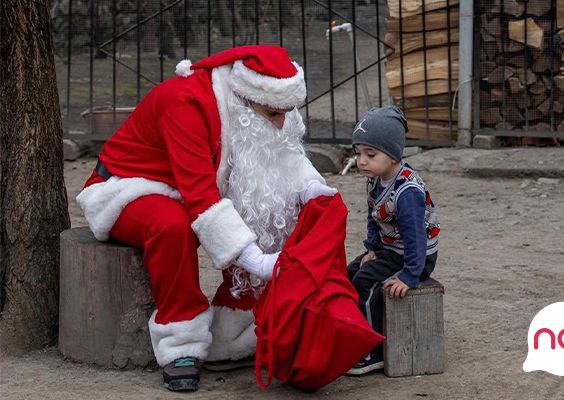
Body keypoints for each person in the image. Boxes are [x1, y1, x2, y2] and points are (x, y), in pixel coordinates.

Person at [76, 45, 336, 392]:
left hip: (190, 183)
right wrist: (256, 261)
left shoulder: (263, 104)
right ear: (247, 97)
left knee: (263, 204)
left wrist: (310, 188)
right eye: (274, 113)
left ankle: (238, 320)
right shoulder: (185, 102)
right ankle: (180, 340)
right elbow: (200, 195)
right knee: (172, 226)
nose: (280, 123)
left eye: (286, 113)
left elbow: (281, 154)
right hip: (129, 186)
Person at [345, 106, 440, 375]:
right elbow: (374, 218)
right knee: (351, 271)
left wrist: (410, 275)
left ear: (394, 154)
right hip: (389, 249)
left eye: (370, 154)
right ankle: (354, 332)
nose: (361, 161)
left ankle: (373, 351)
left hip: (415, 258)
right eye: (358, 153)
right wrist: (372, 249)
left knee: (366, 282)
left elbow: (416, 238)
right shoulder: (375, 180)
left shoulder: (407, 192)